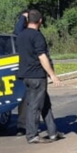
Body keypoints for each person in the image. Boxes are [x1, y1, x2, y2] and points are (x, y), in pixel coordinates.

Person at [15, 9, 64, 144]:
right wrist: (53, 75)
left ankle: (53, 132)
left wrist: (22, 18)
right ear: (40, 21)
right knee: (35, 106)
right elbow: (42, 56)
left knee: (45, 104)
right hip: (37, 76)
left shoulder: (20, 35)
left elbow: (18, 28)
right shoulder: (37, 36)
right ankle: (32, 135)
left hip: (26, 76)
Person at [13, 9, 30, 134]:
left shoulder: (33, 32)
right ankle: (22, 126)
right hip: (24, 71)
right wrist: (23, 18)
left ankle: (50, 127)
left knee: (42, 101)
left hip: (35, 72)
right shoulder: (21, 34)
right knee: (24, 101)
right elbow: (17, 32)